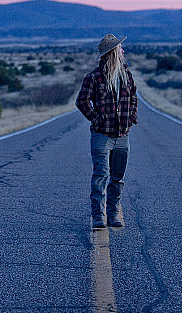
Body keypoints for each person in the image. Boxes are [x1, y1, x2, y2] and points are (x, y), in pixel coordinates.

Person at [76, 33, 138, 229]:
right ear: (113, 53)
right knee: (101, 176)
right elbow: (82, 101)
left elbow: (134, 98)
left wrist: (131, 119)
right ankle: (97, 216)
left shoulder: (126, 75)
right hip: (102, 135)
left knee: (118, 178)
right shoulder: (94, 77)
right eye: (120, 48)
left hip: (122, 135)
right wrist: (97, 120)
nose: (123, 51)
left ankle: (112, 214)